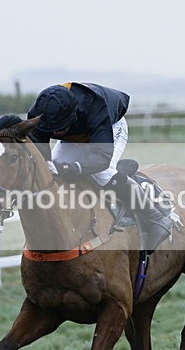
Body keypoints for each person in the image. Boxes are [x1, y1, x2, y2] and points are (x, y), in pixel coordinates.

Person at [27, 82, 171, 251]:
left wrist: (68, 168)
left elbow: (102, 158)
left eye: (60, 128)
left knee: (104, 173)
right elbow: (41, 151)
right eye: (53, 130)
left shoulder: (95, 106)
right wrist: (51, 166)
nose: (56, 134)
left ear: (72, 114)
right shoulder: (37, 114)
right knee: (53, 171)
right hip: (77, 132)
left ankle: (156, 218)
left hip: (110, 126)